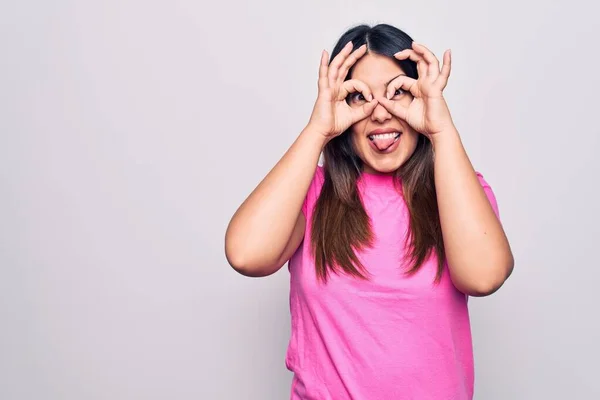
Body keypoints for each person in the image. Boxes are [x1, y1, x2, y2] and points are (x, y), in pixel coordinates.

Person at [224, 23, 514, 400]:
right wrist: (318, 129)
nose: (380, 113)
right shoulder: (311, 192)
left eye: (398, 92)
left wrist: (441, 131)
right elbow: (247, 255)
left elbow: (484, 277)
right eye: (360, 97)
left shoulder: (457, 191)